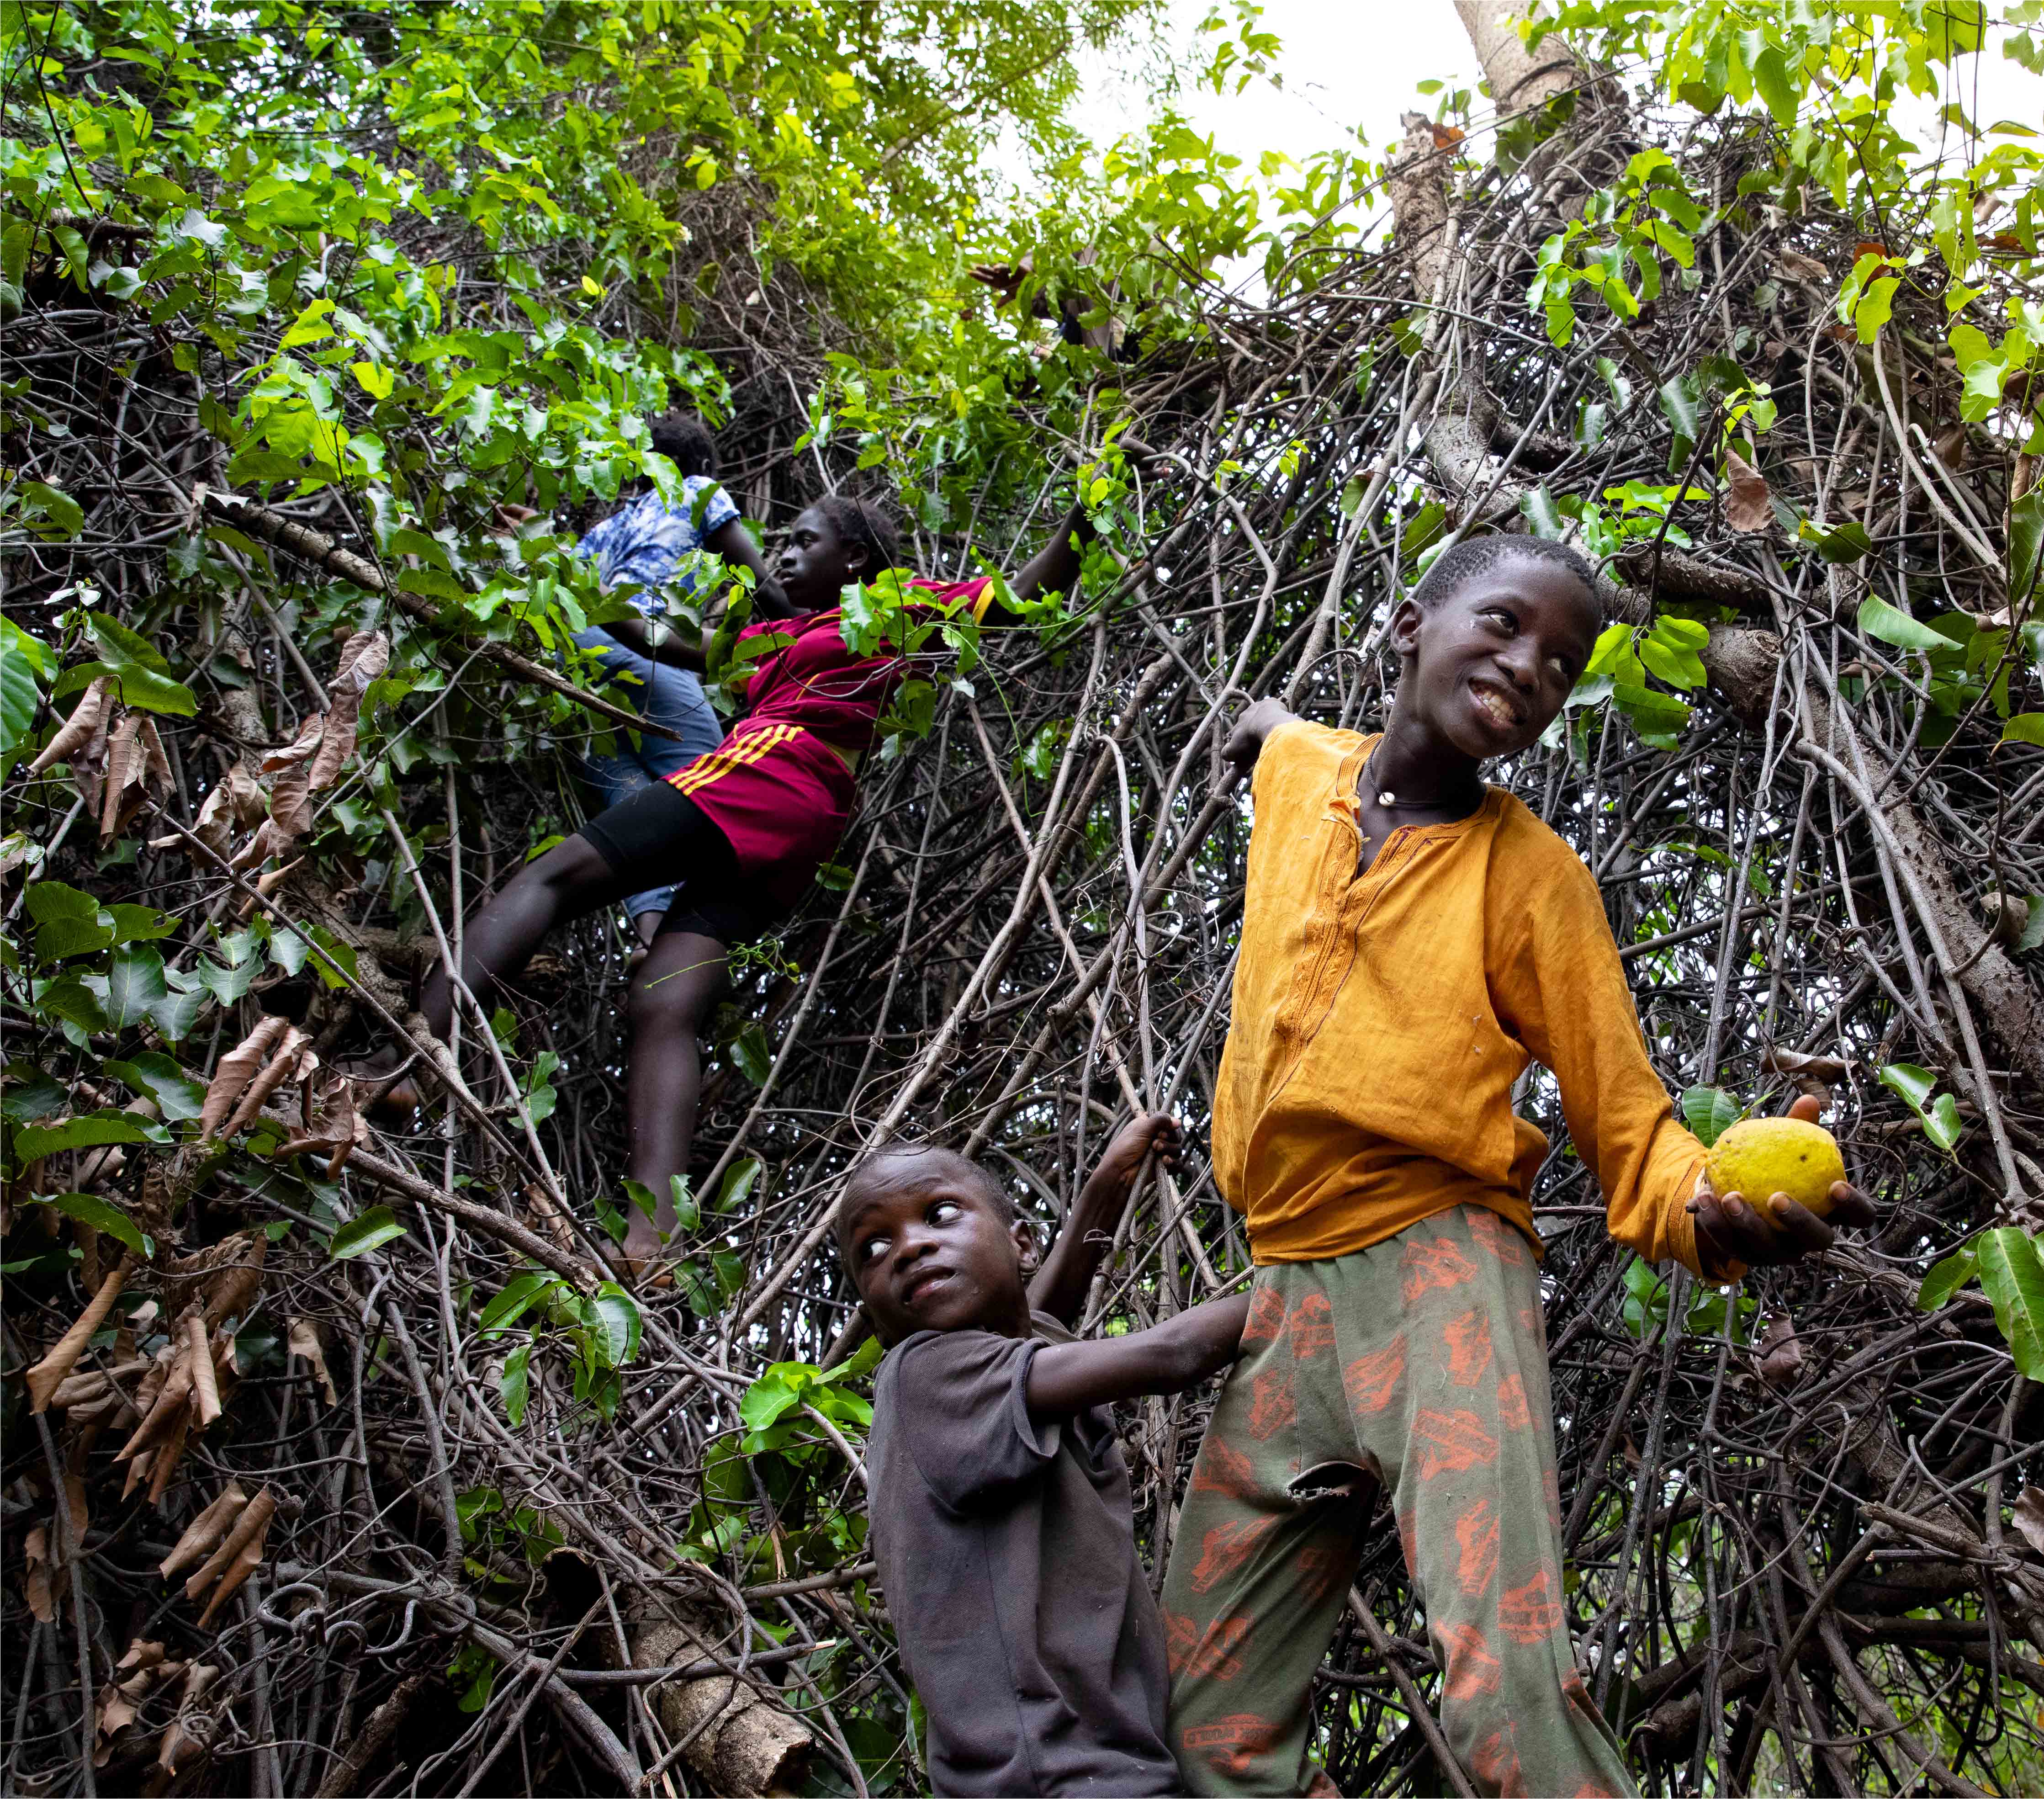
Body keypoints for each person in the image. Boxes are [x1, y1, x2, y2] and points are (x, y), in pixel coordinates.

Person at [1157, 534, 1877, 1797]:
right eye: (1501, 626)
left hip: (1440, 1279)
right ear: (1409, 627)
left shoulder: (1533, 878)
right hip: (1282, 1294)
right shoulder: (1303, 773)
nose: (1526, 667)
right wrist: (1254, 723)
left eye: (1559, 663)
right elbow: (1275, 733)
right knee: (1203, 1716)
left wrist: (1711, 1212)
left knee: (1507, 1685)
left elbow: (1628, 1123)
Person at [389, 490, 1096, 1266]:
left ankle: (408, 1060)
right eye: (782, 544)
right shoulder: (772, 635)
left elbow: (1018, 599)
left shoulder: (893, 606)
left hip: (769, 772)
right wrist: (563, 569)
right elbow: (660, 638)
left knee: (552, 879)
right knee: (665, 998)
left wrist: (1084, 519)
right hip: (803, 825)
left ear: (855, 558)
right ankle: (651, 1240)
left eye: (802, 541)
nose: (782, 555)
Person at [839, 1114, 1248, 1796]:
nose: (908, 1248)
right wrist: (1322, 1273)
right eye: (874, 1248)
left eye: (938, 1214)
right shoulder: (929, 1375)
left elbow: (1042, 1311)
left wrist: (1106, 1187)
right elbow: (1173, 1353)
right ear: (877, 1318)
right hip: (1056, 1775)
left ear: (1021, 1243)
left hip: (1078, 1768)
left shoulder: (1011, 1357)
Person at [566, 412, 767, 948]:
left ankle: (652, 939)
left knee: (634, 800)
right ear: (699, 464)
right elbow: (760, 579)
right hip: (638, 645)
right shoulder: (699, 490)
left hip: (577, 666)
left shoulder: (605, 530)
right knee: (712, 781)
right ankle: (692, 943)